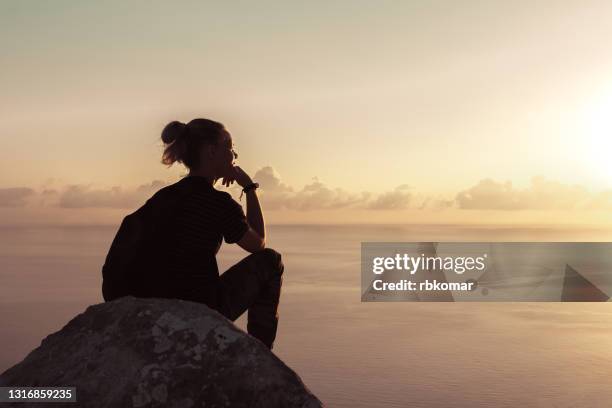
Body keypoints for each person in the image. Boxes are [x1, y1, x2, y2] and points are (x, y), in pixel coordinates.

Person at [138, 118, 283, 350]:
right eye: (230, 147)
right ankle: (261, 352)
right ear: (211, 151)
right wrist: (248, 188)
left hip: (154, 308)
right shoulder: (218, 203)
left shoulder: (161, 199)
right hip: (199, 310)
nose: (234, 155)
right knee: (272, 261)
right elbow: (258, 245)